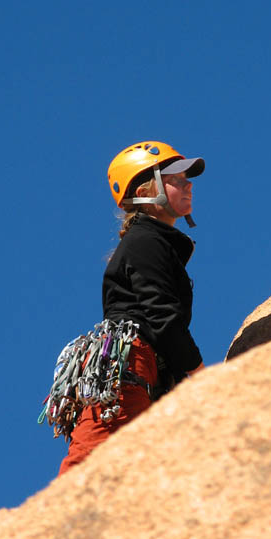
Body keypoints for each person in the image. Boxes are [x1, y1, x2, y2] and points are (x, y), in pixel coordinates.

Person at [58, 141, 205, 474]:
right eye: (176, 178)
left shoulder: (154, 242)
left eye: (187, 178)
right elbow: (162, 315)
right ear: (145, 189)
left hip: (144, 368)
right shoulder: (145, 241)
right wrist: (199, 376)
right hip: (130, 364)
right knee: (90, 463)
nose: (188, 184)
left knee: (124, 468)